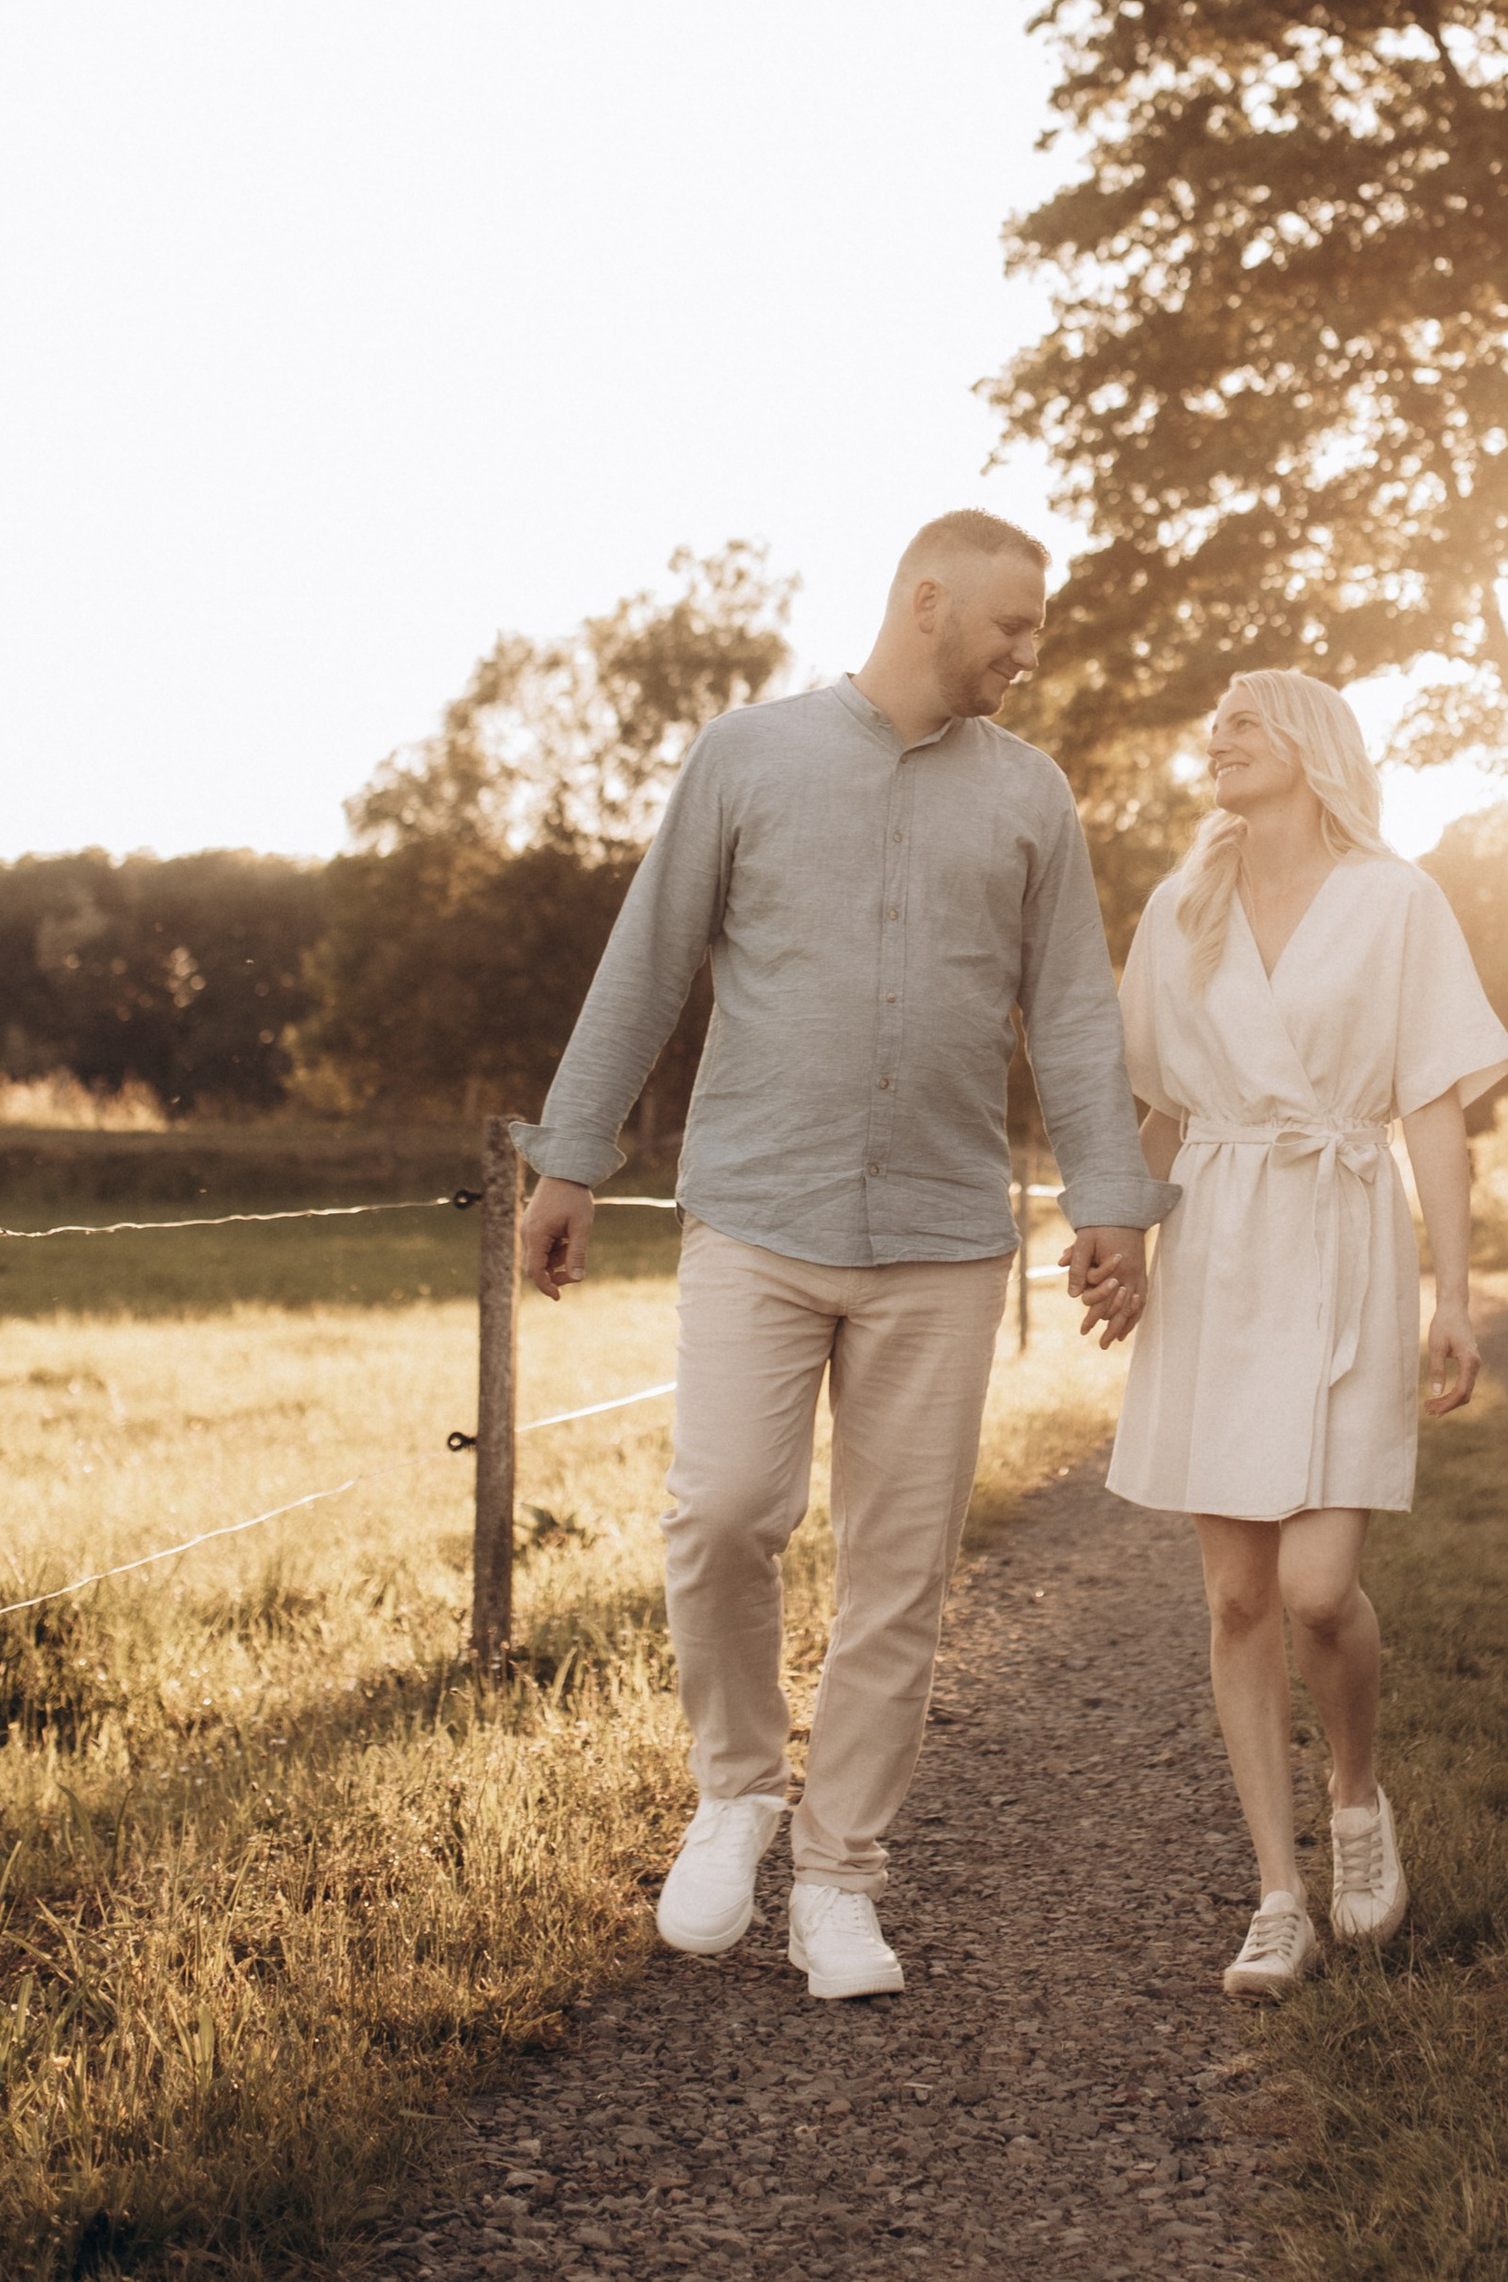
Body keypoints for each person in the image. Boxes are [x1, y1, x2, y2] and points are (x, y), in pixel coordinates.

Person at [513, 511, 1175, 2003]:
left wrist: (1112, 1201)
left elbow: (1072, 1011)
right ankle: (739, 1790)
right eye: (1011, 625)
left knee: (898, 1577)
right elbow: (650, 959)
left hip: (944, 1243)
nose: (1028, 652)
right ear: (927, 600)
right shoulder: (748, 757)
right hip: (757, 1212)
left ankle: (840, 1879)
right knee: (725, 1511)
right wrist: (571, 1157)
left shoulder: (1033, 799)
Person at [1108, 669, 1508, 1998]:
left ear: (1312, 746)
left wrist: (1453, 1293)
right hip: (1219, 1241)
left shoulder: (1397, 901)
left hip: (1341, 1239)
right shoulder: (1182, 908)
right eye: (1212, 726)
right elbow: (1160, 1107)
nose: (1216, 740)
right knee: (1235, 1595)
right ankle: (1277, 1892)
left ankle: (1354, 1797)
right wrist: (1118, 1231)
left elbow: (1433, 1107)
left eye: (1243, 720)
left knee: (1319, 1591)